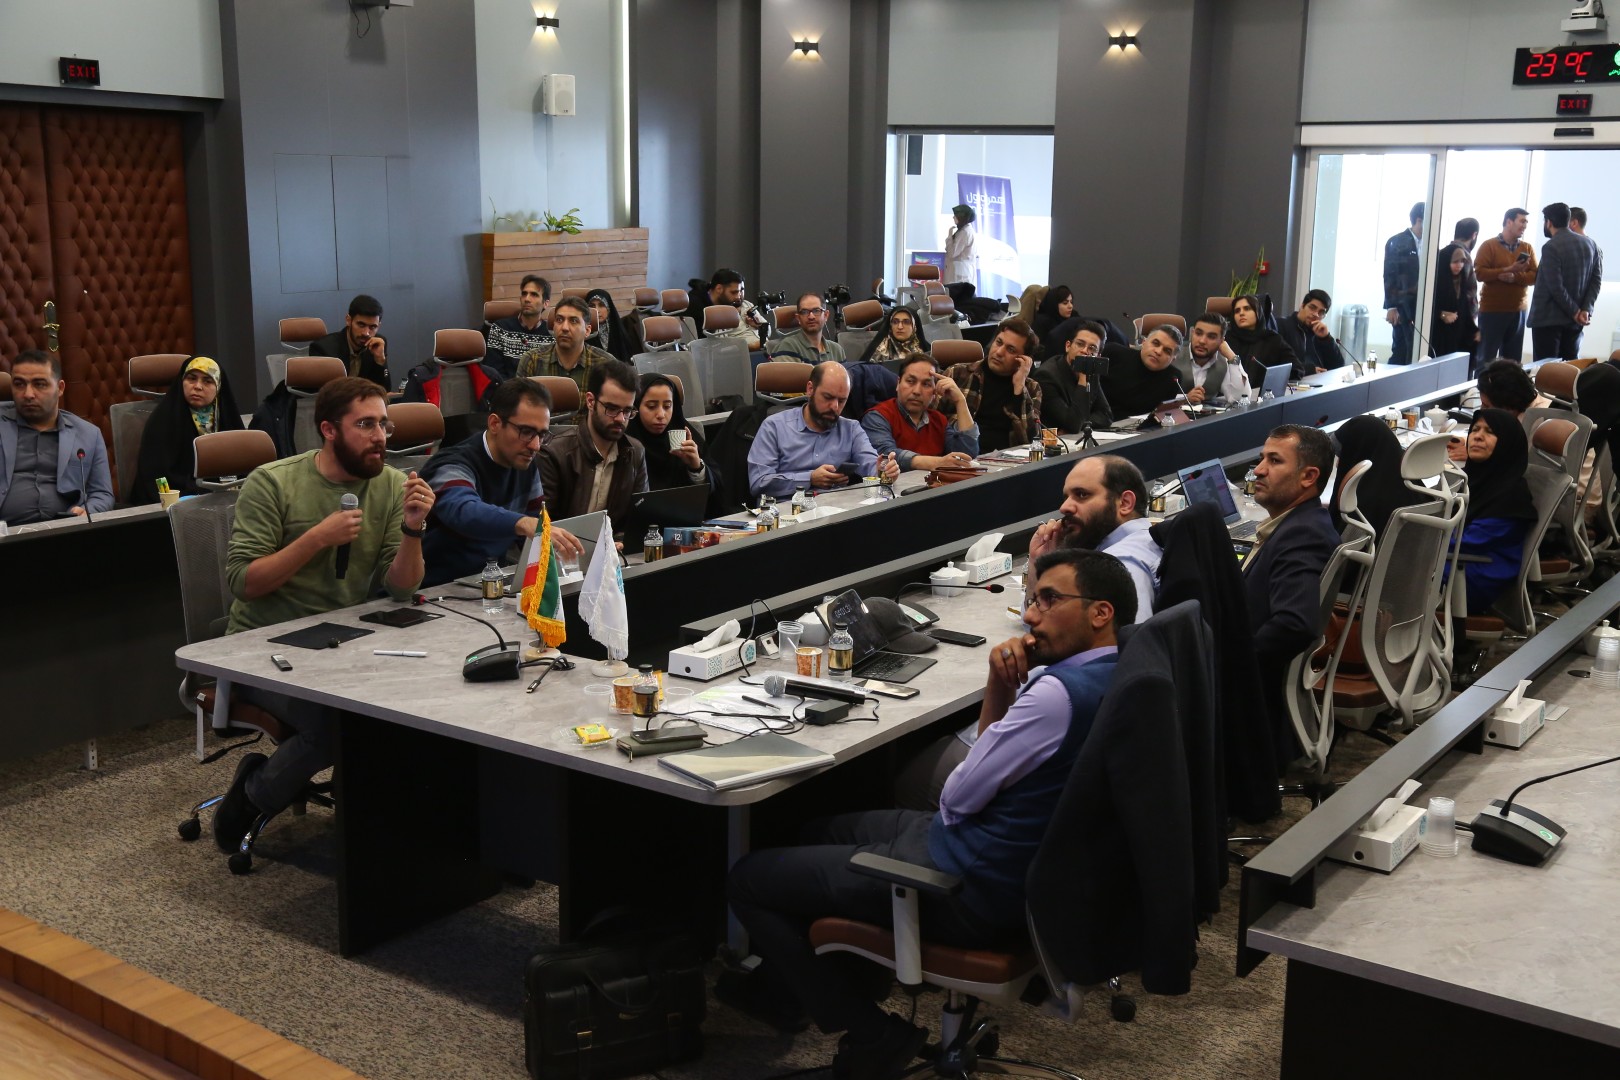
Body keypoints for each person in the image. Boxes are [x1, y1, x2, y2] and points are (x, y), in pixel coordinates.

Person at [725, 548, 1132, 1075]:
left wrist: (998, 686)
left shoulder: (1056, 695)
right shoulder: (1121, 673)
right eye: (1032, 599)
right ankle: (831, 985)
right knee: (815, 829)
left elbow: (956, 798)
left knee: (748, 879)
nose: (1031, 616)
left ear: (1100, 612)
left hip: (965, 885)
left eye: (1049, 600)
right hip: (1007, 865)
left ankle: (872, 1033)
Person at [213, 376, 434, 849]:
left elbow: (401, 588)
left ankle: (398, 828)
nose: (380, 436)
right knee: (337, 726)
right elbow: (244, 582)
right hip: (259, 648)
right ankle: (253, 794)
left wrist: (413, 529)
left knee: (422, 702)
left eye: (385, 425)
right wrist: (316, 538)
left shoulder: (392, 485)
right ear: (329, 430)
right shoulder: (273, 482)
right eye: (366, 425)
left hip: (340, 642)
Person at [418, 378, 585, 588]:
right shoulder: (452, 464)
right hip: (436, 589)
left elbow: (534, 533)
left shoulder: (525, 465)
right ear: (495, 424)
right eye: (526, 432)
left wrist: (580, 551)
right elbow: (463, 510)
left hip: (490, 583)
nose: (535, 445)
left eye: (542, 434)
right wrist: (523, 523)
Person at [1244, 424, 1340, 760]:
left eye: (1274, 461)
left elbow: (1294, 623)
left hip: (1253, 699)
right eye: (1261, 459)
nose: (1258, 470)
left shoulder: (1302, 536)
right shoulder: (1299, 523)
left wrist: (1234, 659)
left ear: (1308, 477)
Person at [1028, 455, 1160, 619]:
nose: (1064, 507)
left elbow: (1131, 637)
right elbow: (1036, 620)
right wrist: (1039, 563)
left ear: (1125, 503)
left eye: (1082, 494)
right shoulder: (1145, 540)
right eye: (1066, 497)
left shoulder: (1122, 565)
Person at [747, 361, 899, 499]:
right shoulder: (774, 427)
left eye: (842, 400)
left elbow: (871, 464)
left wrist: (883, 470)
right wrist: (810, 478)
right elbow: (759, 482)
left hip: (836, 510)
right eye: (828, 397)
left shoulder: (851, 429)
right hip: (786, 512)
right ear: (810, 389)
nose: (835, 407)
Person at [0, 349, 114, 523]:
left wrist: (88, 511)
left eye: (39, 384)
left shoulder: (89, 434)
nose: (28, 394)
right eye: (19, 384)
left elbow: (102, 493)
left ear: (60, 388)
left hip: (66, 531)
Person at [537, 359, 649, 522]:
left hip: (615, 539)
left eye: (627, 411)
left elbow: (639, 518)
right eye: (611, 408)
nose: (620, 419)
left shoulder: (635, 452)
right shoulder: (553, 454)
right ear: (590, 401)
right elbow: (543, 526)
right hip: (563, 538)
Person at [130, 355, 245, 504]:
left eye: (207, 381)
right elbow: (156, 476)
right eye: (191, 379)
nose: (198, 386)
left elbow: (244, 469)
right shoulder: (163, 420)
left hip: (226, 501)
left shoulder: (228, 418)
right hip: (175, 504)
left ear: (218, 386)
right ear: (181, 382)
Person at [1457, 408, 1536, 615]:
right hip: (1455, 562)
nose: (1478, 436)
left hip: (1475, 576)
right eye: (1475, 429)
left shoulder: (1511, 496)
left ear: (1507, 443)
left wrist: (1419, 541)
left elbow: (1470, 542)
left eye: (1490, 432)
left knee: (1395, 571)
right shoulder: (1470, 479)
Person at [860, 354, 979, 472]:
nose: (917, 391)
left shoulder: (939, 420)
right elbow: (886, 455)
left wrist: (960, 401)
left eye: (926, 384)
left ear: (934, 392)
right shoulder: (877, 416)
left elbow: (967, 455)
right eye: (910, 381)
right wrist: (938, 463)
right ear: (898, 384)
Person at [945, 318, 1042, 452]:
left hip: (1007, 460)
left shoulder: (1031, 388)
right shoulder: (956, 374)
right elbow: (928, 423)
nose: (999, 352)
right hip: (960, 456)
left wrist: (1019, 388)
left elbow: (1032, 440)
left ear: (1023, 359)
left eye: (1011, 349)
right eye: (998, 342)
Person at [1528, 202, 1602, 362]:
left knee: (1546, 370)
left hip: (1548, 320)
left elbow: (1555, 286)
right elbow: (1595, 281)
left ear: (1549, 222)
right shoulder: (1591, 245)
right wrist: (1584, 310)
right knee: (1570, 368)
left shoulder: (1551, 246)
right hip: (1575, 323)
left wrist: (1575, 311)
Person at [1330, 415, 1427, 538]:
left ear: (1358, 451)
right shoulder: (1414, 486)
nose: (1338, 464)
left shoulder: (1360, 509)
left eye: (1343, 455)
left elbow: (1344, 546)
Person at [625, 372, 718, 493]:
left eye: (667, 406)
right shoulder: (624, 442)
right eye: (651, 406)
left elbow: (715, 493)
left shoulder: (685, 436)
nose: (661, 415)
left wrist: (696, 467)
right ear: (636, 406)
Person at [1474, 208, 1537, 367]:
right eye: (1522, 221)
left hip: (1518, 311)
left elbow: (1535, 276)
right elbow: (1479, 273)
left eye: (1526, 222)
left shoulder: (1527, 248)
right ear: (1509, 222)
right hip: (1492, 311)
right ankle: (1482, 384)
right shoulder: (1489, 246)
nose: (1525, 226)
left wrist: (1515, 277)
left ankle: (1507, 385)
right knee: (1486, 359)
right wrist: (1507, 270)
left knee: (1513, 362)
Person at [515, 296, 614, 393]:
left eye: (573, 321)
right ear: (553, 326)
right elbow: (519, 401)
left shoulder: (606, 364)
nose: (564, 328)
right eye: (559, 320)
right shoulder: (532, 360)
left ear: (587, 331)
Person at [1032, 320, 1114, 432]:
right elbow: (1073, 424)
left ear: (1098, 356)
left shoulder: (1091, 372)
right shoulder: (1046, 376)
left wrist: (1083, 424)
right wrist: (1083, 381)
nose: (1085, 351)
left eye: (1092, 348)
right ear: (1068, 346)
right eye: (1080, 344)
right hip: (1052, 440)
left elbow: (1106, 415)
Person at [1100, 324, 1183, 417]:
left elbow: (1161, 416)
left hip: (1140, 425)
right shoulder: (1113, 354)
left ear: (1173, 359)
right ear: (1144, 342)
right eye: (1156, 343)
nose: (1158, 352)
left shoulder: (1173, 378)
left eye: (1167, 351)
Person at [309, 294, 390, 389]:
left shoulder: (378, 343)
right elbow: (324, 392)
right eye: (361, 325)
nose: (366, 333)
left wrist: (380, 360)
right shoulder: (323, 348)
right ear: (348, 320)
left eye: (373, 327)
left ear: (378, 326)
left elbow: (385, 390)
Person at [485, 274, 553, 378]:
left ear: (545, 303)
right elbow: (494, 373)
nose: (527, 299)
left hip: (541, 387)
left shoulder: (551, 335)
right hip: (507, 387)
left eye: (534, 295)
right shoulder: (500, 329)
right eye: (524, 294)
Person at [1173, 313, 1249, 405]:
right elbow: (1158, 395)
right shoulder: (1173, 356)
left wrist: (1232, 356)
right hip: (1171, 413)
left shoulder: (1222, 362)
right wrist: (1184, 398)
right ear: (1192, 333)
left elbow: (1239, 399)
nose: (1202, 341)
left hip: (1207, 413)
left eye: (1211, 337)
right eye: (1198, 333)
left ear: (1221, 341)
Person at [1220, 294, 1298, 382]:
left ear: (1258, 312)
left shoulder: (1273, 339)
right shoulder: (1225, 339)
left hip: (1263, 389)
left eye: (1247, 309)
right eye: (1237, 311)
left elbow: (1296, 368)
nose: (1241, 313)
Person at [1383, 201, 1424, 365]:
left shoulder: (1429, 243)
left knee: (1415, 348)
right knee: (1401, 349)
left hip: (1420, 305)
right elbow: (1389, 275)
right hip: (1402, 304)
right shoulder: (1397, 242)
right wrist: (1391, 307)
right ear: (1419, 220)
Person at [691, 268, 766, 349]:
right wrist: (753, 346)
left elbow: (767, 331)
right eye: (734, 292)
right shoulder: (701, 309)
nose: (739, 296)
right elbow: (716, 347)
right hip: (741, 352)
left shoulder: (746, 304)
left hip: (761, 348)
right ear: (719, 289)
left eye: (742, 290)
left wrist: (758, 325)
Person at [1430, 242, 1479, 359]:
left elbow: (1464, 309)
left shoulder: (1461, 280)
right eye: (1455, 262)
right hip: (1439, 336)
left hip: (1457, 336)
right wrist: (1441, 314)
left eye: (1462, 261)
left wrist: (1474, 330)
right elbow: (1426, 308)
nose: (1459, 265)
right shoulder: (1435, 281)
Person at [1275, 289, 1341, 375]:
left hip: (1320, 381)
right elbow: (1277, 364)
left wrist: (1326, 338)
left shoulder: (1319, 333)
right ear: (1302, 306)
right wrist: (1309, 370)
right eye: (1312, 308)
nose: (1316, 314)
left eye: (1321, 312)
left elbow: (1338, 366)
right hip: (1296, 381)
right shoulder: (1281, 325)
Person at [767, 292, 845, 364]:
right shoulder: (788, 346)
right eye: (804, 312)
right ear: (798, 318)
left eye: (816, 311)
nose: (811, 316)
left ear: (826, 315)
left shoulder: (837, 350)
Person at [857, 305, 929, 365]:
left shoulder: (927, 352)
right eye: (895, 322)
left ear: (914, 327)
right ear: (890, 325)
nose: (900, 327)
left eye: (906, 322)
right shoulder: (877, 350)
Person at [585, 288, 639, 364]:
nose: (597, 310)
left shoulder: (618, 330)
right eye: (592, 306)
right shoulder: (584, 333)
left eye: (601, 305)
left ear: (608, 308)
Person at [944, 203, 978, 286]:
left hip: (960, 275)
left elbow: (952, 253)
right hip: (960, 273)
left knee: (957, 293)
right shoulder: (964, 231)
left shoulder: (965, 232)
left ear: (961, 217)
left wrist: (949, 236)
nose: (953, 217)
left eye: (955, 215)